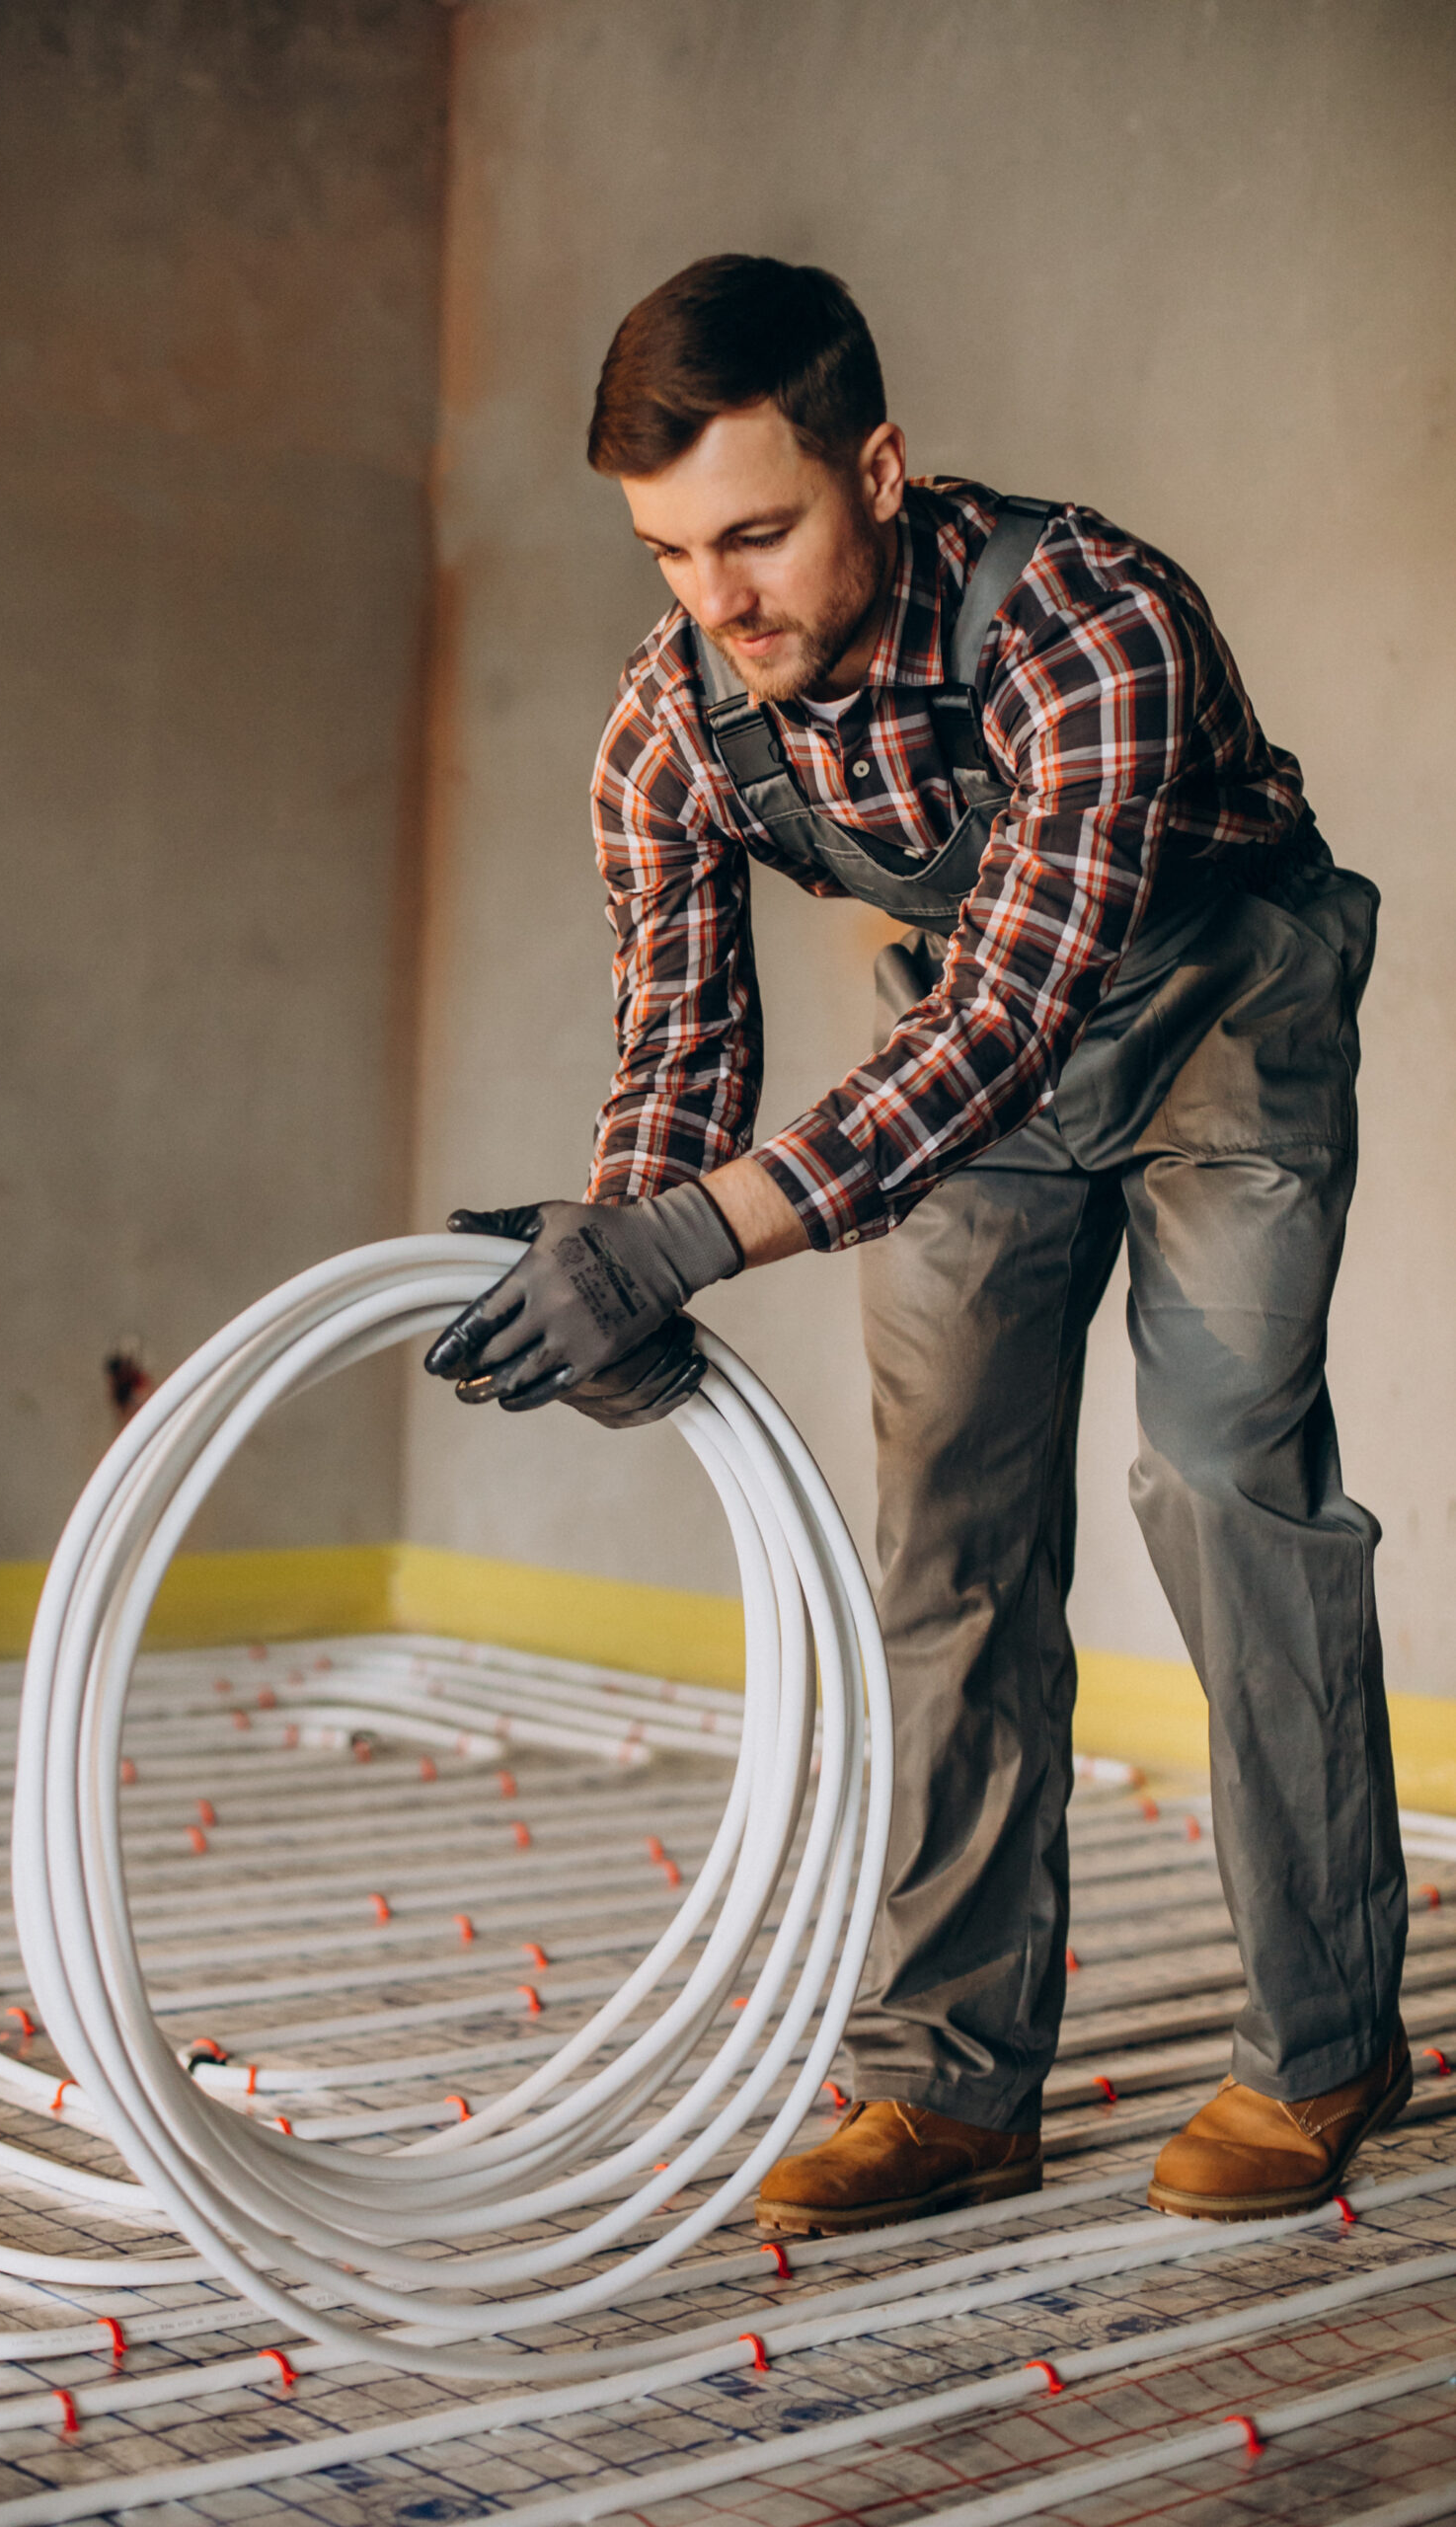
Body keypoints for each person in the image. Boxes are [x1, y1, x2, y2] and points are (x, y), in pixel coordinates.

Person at [423, 255, 1409, 2232]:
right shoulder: (668, 728)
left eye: (760, 532)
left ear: (876, 467)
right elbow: (679, 1047)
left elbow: (1013, 1013)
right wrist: (625, 1256)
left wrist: (695, 1235)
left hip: (1213, 1013)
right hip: (964, 1066)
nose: (721, 599)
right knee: (944, 1537)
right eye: (672, 550)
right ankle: (950, 2084)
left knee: (1225, 1480)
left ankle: (1322, 2043)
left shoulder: (1086, 615)